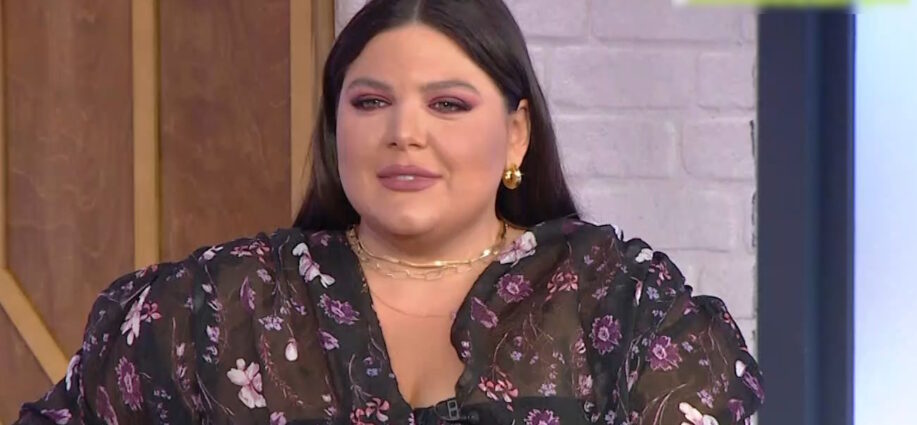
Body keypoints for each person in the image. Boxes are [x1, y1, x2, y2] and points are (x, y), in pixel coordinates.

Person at [16, 0, 764, 423]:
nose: (404, 132)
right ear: (335, 127)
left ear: (516, 133)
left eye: (448, 104)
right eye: (371, 102)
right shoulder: (213, 306)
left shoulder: (621, 304)